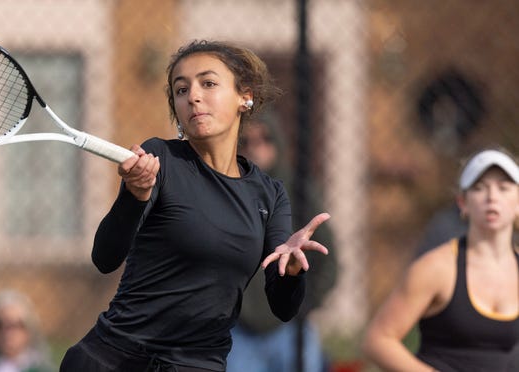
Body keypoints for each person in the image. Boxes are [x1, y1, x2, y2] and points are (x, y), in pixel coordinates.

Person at [59, 40, 331, 372]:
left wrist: (291, 272)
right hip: (114, 359)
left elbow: (283, 307)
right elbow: (104, 258)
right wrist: (135, 195)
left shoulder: (269, 193)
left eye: (208, 83)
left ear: (244, 97)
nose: (193, 96)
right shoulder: (162, 159)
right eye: (181, 89)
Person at [362, 148, 519, 371]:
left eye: (504, 188)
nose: (492, 197)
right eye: (479, 188)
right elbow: (378, 341)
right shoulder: (436, 268)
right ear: (462, 202)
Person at [227, 118, 335, 372]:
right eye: (246, 142)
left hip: (290, 327)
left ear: (278, 143)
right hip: (239, 329)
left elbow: (329, 263)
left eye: (265, 140)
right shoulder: (226, 193)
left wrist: (303, 304)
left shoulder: (299, 191)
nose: (256, 148)